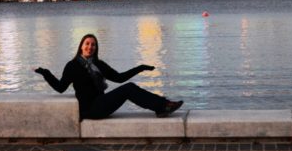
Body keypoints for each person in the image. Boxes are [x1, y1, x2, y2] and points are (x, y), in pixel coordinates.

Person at [34, 33, 183, 120]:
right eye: (87, 44)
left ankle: (162, 106)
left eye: (93, 45)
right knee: (129, 89)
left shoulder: (99, 64)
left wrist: (140, 68)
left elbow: (119, 78)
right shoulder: (72, 65)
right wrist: (45, 73)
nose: (90, 47)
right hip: (89, 109)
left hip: (101, 104)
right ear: (81, 46)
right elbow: (60, 88)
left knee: (128, 87)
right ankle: (163, 106)